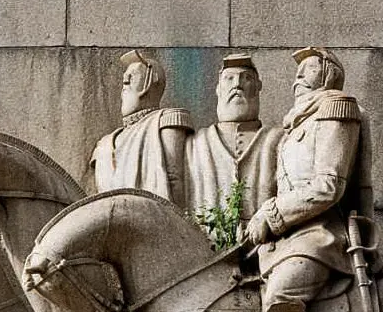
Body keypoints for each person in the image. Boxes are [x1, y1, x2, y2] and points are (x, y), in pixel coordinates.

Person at [246, 47, 366, 312]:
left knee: (280, 295)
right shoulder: (295, 124)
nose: (298, 75)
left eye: (310, 67)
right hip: (286, 238)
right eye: (299, 70)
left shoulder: (336, 108)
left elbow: (329, 186)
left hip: (320, 235)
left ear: (328, 74)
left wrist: (273, 214)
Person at [185, 54, 282, 223]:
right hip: (204, 243)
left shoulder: (279, 139)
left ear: (258, 86)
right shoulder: (194, 144)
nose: (237, 84)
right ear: (218, 89)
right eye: (229, 78)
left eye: (246, 78)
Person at [86, 50, 192, 200]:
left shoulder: (166, 121)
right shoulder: (104, 144)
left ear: (150, 81)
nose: (125, 83)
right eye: (124, 78)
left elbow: (174, 183)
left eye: (132, 77)